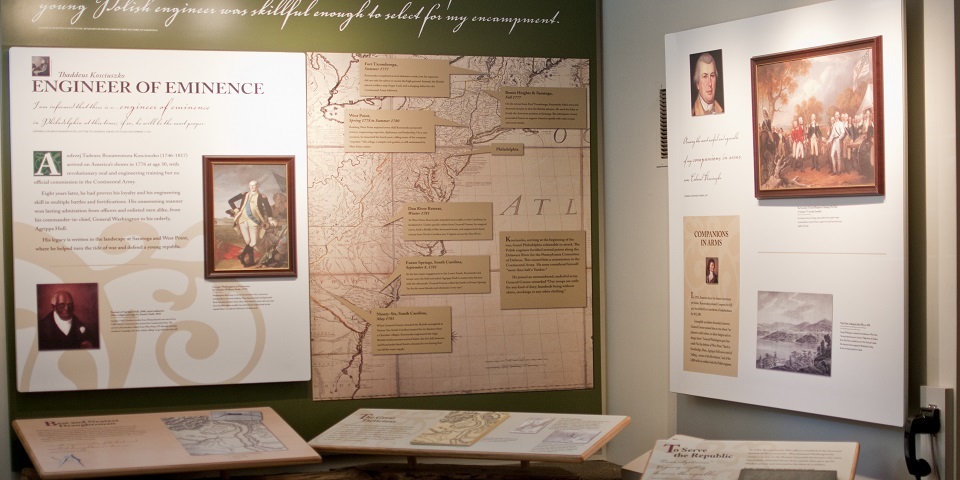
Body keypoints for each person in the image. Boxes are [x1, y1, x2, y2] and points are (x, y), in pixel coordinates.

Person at [228, 180, 277, 267]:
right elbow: (230, 201)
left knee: (253, 242)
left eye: (254, 186)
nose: (252, 187)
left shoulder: (262, 197)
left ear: (258, 186)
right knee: (247, 241)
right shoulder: (244, 194)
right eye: (250, 186)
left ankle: (242, 255)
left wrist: (270, 219)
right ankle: (251, 261)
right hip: (242, 221)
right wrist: (236, 209)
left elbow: (268, 208)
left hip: (254, 221)